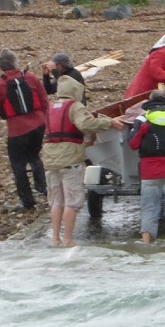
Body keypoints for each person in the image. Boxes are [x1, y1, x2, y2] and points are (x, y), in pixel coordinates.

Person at [41, 76, 123, 247]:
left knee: (56, 201)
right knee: (72, 201)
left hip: (50, 158)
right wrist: (110, 123)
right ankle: (68, 240)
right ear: (75, 91)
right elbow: (86, 124)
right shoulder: (75, 107)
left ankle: (55, 239)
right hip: (69, 158)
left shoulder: (51, 107)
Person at [0, 48, 50, 212]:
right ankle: (42, 187)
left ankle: (27, 201)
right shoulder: (30, 77)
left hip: (17, 130)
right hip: (38, 125)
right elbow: (44, 100)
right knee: (35, 156)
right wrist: (48, 122)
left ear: (0, 66)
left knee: (18, 165)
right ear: (15, 62)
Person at [128, 90, 165, 248]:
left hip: (150, 170)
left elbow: (132, 144)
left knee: (149, 209)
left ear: (149, 102)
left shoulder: (141, 119)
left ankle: (146, 245)